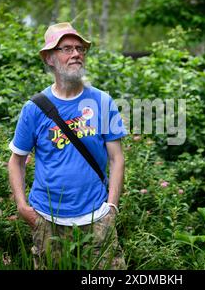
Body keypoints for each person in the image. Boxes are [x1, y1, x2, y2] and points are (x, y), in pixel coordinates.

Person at [7, 22, 127, 270]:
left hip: (97, 216)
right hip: (47, 218)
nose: (76, 54)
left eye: (80, 48)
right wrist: (22, 207)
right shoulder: (35, 108)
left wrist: (111, 207)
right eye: (67, 49)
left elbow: (116, 158)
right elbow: (16, 160)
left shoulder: (102, 101)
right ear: (50, 58)